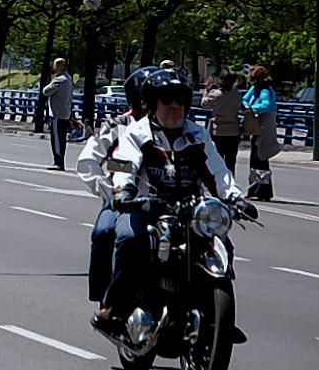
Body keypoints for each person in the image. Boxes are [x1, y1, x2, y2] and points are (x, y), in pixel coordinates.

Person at [95, 69, 254, 335]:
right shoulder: (136, 133)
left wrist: (235, 197)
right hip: (144, 206)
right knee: (130, 239)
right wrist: (123, 189)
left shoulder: (198, 135)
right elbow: (123, 163)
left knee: (221, 243)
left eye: (181, 99)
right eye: (167, 99)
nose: (174, 106)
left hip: (190, 210)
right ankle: (115, 307)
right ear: (153, 102)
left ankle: (218, 316)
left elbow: (218, 171)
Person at [76, 65, 155, 317]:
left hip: (169, 200)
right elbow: (89, 158)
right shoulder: (118, 124)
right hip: (126, 199)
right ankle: (106, 299)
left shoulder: (177, 126)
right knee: (104, 233)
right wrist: (108, 191)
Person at [243, 65, 279, 201]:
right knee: (254, 159)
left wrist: (252, 108)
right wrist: (246, 106)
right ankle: (254, 189)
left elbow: (266, 105)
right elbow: (245, 99)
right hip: (256, 126)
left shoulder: (265, 90)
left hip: (264, 126)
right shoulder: (255, 89)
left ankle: (263, 191)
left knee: (261, 159)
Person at [202, 71, 244, 175]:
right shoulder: (238, 95)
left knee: (217, 160)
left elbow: (204, 103)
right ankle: (230, 182)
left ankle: (218, 184)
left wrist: (206, 91)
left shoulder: (215, 94)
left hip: (218, 130)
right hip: (233, 130)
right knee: (231, 161)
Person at [42, 57, 74, 171]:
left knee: (56, 139)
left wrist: (51, 81)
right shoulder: (69, 78)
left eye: (55, 64)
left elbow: (46, 91)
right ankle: (60, 162)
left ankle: (58, 162)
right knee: (61, 139)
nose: (53, 66)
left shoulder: (59, 80)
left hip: (57, 113)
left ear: (60, 66)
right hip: (65, 112)